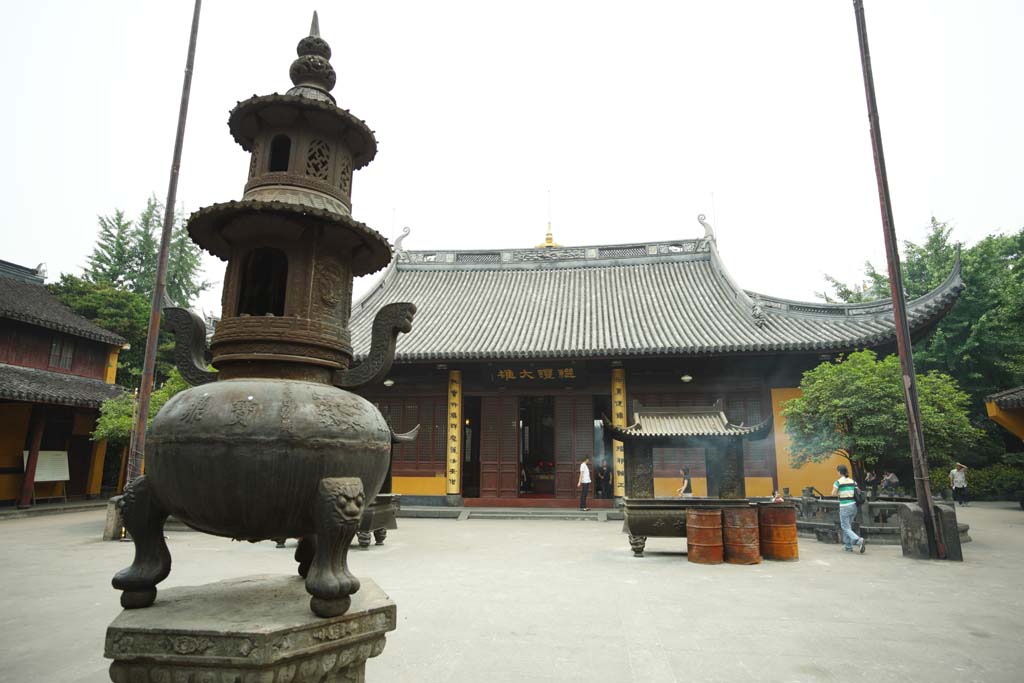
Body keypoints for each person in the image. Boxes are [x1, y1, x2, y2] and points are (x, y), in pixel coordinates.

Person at [832, 464, 866, 553]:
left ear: (839, 472)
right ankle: (848, 546)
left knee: (844, 526)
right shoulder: (853, 481)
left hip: (844, 506)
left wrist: (840, 493)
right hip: (853, 506)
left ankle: (859, 540)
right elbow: (857, 491)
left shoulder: (838, 482)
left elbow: (833, 493)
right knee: (848, 526)